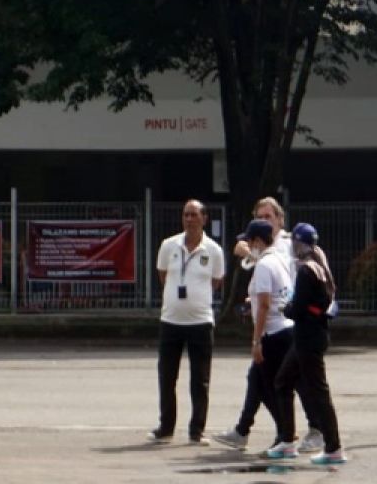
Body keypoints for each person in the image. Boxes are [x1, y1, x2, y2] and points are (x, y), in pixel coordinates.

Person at [215, 197, 324, 453]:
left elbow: (284, 280)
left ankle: (305, 431)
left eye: (268, 216)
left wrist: (258, 329)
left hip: (289, 321)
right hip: (282, 319)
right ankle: (246, 430)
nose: (265, 221)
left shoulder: (287, 246)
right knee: (261, 378)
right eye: (260, 217)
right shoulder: (268, 253)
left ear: (279, 219)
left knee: (294, 381)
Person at [147, 199, 225, 444]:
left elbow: (216, 281)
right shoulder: (169, 245)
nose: (189, 219)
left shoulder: (213, 250)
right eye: (185, 215)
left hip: (200, 323)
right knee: (167, 376)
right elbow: (163, 276)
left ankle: (196, 430)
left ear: (204, 218)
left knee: (200, 380)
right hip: (171, 321)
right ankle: (166, 427)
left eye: (194, 215)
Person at [272, 223, 347, 465]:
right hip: (312, 336)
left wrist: (287, 307)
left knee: (318, 392)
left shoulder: (306, 271)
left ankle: (333, 446)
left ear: (299, 243)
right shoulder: (320, 264)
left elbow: (299, 308)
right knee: (283, 381)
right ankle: (286, 440)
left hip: (307, 338)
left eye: (294, 242)